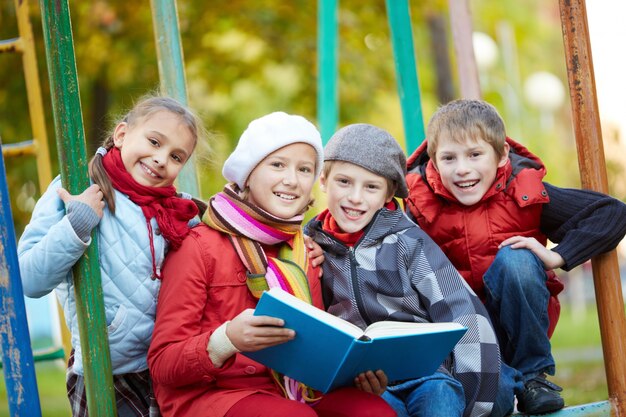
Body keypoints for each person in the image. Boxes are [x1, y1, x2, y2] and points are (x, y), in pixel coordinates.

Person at [147, 111, 396, 417]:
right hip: (213, 393)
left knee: (372, 411)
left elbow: (314, 350)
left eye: (304, 169)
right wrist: (227, 340)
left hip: (291, 388)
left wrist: (357, 374)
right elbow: (163, 364)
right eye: (277, 164)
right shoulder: (197, 246)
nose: (291, 180)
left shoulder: (304, 250)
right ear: (248, 175)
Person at [405, 99, 626, 414]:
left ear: (501, 155)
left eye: (475, 155)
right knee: (496, 404)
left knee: (516, 258)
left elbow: (611, 213)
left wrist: (557, 256)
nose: (462, 169)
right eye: (449, 158)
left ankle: (534, 377)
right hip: (463, 336)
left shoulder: (524, 193)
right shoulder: (419, 206)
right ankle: (499, 386)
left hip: (517, 325)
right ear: (433, 161)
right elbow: (368, 227)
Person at [18, 95, 205, 417]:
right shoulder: (78, 187)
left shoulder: (179, 214)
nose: (161, 159)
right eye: (154, 141)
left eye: (176, 156)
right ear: (121, 135)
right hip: (104, 369)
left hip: (164, 369)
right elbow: (29, 280)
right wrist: (76, 224)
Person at [305, 123, 508, 417]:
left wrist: (475, 401)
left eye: (371, 186)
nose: (355, 198)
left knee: (439, 400)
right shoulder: (313, 247)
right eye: (344, 182)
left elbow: (463, 314)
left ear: (388, 195)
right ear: (323, 180)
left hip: (429, 376)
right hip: (366, 386)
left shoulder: (408, 243)